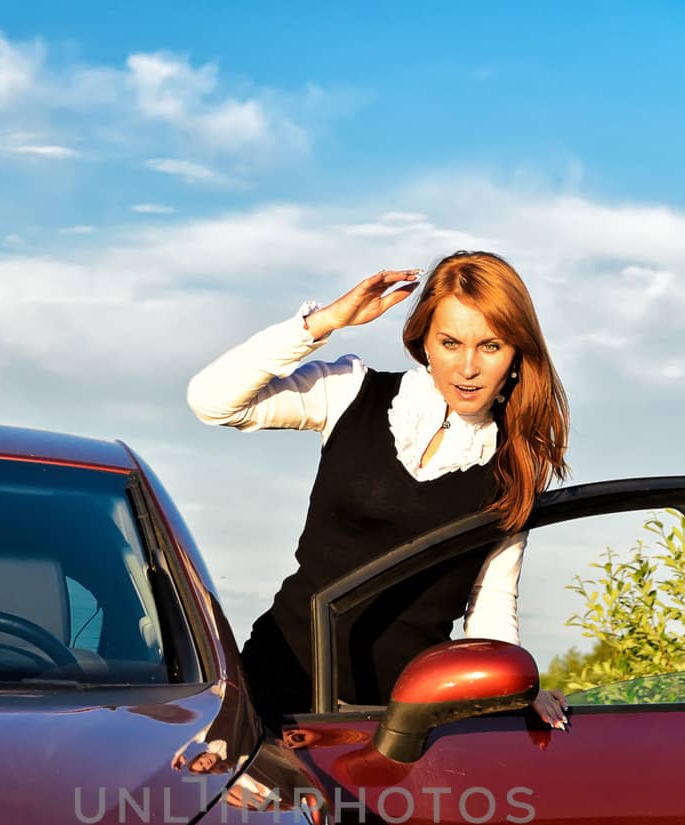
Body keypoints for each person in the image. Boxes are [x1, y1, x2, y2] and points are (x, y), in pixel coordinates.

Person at [188, 251, 570, 732]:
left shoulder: (516, 467)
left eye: (490, 346)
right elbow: (211, 402)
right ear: (424, 341)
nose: (468, 367)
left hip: (395, 727)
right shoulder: (350, 392)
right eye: (450, 342)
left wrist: (513, 690)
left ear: (517, 352)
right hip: (272, 696)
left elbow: (490, 600)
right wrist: (323, 322)